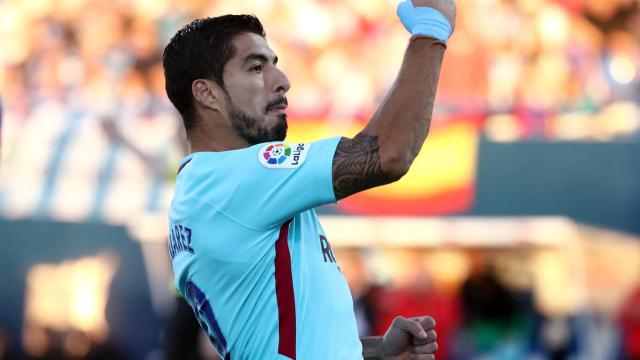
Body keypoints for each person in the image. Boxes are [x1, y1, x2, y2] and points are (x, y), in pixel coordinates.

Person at [162, 0, 456, 358]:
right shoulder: (233, 179)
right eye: (255, 68)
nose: (282, 82)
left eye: (275, 65)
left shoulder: (210, 190)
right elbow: (387, 154)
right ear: (206, 93)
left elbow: (275, 340)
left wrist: (374, 351)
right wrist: (431, 28)